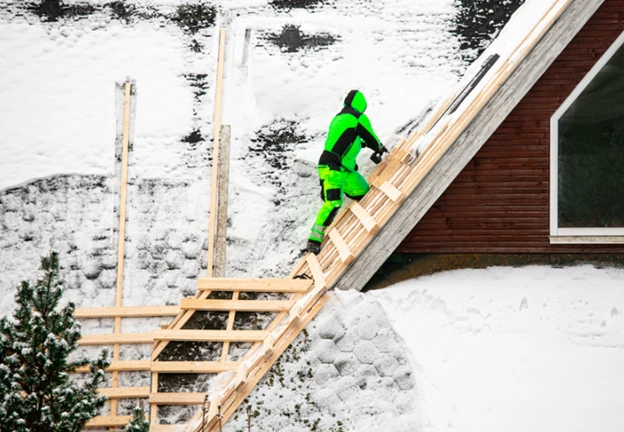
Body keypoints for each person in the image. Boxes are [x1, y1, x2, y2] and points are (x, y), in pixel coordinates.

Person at [306, 90, 387, 255]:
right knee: (334, 201)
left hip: (344, 169)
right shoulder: (357, 118)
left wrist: (364, 144)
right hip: (331, 167)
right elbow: (370, 136)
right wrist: (378, 147)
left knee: (362, 191)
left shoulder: (339, 119)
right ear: (361, 105)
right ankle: (314, 239)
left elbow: (349, 139)